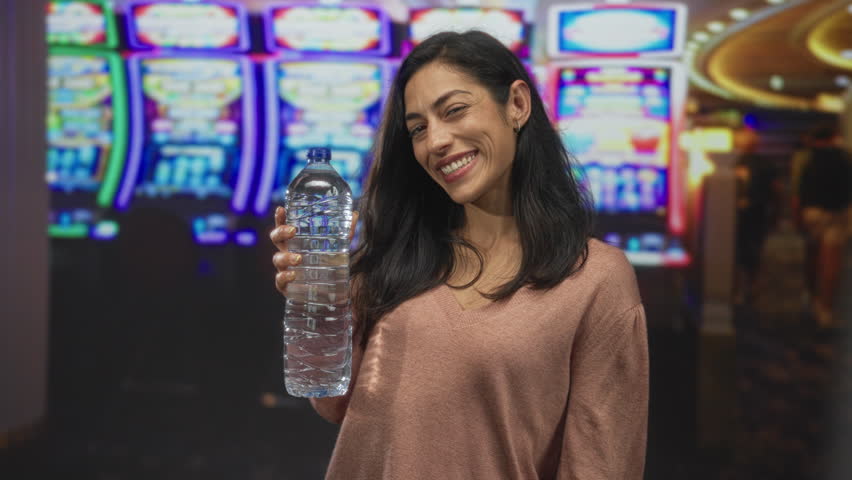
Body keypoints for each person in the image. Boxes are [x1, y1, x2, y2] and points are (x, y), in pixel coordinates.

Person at [271, 31, 648, 479]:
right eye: (418, 129)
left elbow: (600, 466)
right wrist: (321, 301)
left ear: (517, 105)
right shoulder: (395, 258)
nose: (436, 141)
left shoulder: (594, 278)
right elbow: (332, 402)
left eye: (454, 111)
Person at [794, 124, 852, 327]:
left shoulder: (806, 158)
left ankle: (809, 296)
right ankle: (824, 308)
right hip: (836, 213)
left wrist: (797, 215)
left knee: (812, 255)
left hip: (812, 212)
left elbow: (798, 190)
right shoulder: (844, 159)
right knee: (831, 261)